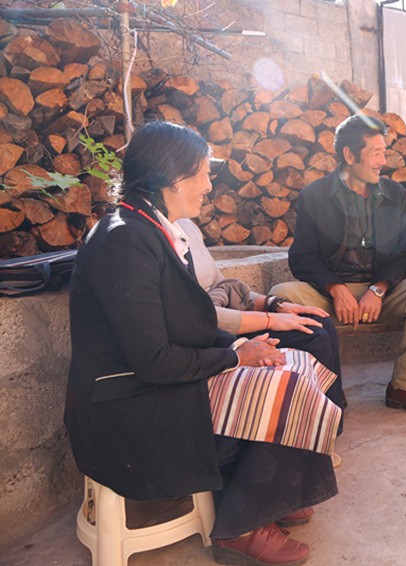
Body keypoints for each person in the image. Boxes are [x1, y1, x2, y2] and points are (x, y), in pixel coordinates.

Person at [64, 121, 337, 566]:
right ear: (173, 178)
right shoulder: (124, 241)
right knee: (281, 387)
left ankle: (270, 494)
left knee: (291, 363)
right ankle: (241, 527)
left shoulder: (150, 228)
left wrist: (249, 349)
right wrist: (234, 356)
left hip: (153, 386)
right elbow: (153, 360)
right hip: (129, 406)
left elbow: (186, 324)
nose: (210, 187)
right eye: (204, 174)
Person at [270, 115, 406, 416]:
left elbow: (405, 255)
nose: (383, 161)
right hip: (330, 296)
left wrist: (378, 289)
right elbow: (302, 256)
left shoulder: (394, 194)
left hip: (383, 294)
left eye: (384, 152)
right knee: (282, 295)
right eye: (376, 153)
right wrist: (335, 288)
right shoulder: (315, 195)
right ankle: (325, 387)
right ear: (349, 155)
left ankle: (404, 388)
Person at [177, 217, 345, 468]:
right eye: (202, 179)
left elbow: (222, 284)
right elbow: (197, 316)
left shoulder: (185, 226)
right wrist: (269, 320)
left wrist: (275, 304)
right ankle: (309, 442)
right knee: (314, 338)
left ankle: (326, 427)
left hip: (225, 314)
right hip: (212, 333)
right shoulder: (157, 240)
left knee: (317, 324)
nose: (205, 193)